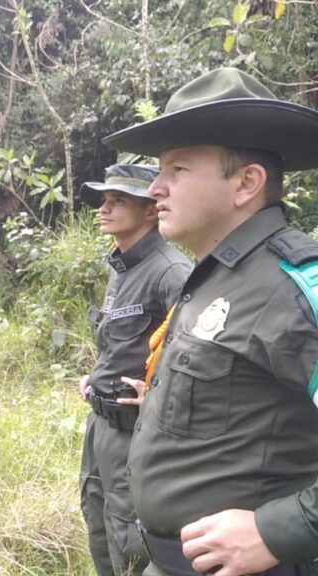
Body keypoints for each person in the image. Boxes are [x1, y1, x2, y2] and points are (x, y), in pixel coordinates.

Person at [103, 67, 318, 576]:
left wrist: (278, 530)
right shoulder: (211, 277)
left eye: (177, 169)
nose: (155, 187)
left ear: (246, 183)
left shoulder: (295, 287)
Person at [77, 164, 191, 576]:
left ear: (149, 211)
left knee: (132, 541)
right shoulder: (120, 268)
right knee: (98, 522)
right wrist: (96, 373)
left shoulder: (171, 271)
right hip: (100, 426)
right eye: (104, 200)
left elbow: (191, 351)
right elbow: (124, 340)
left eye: (118, 200)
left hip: (135, 433)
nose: (104, 209)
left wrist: (156, 394)